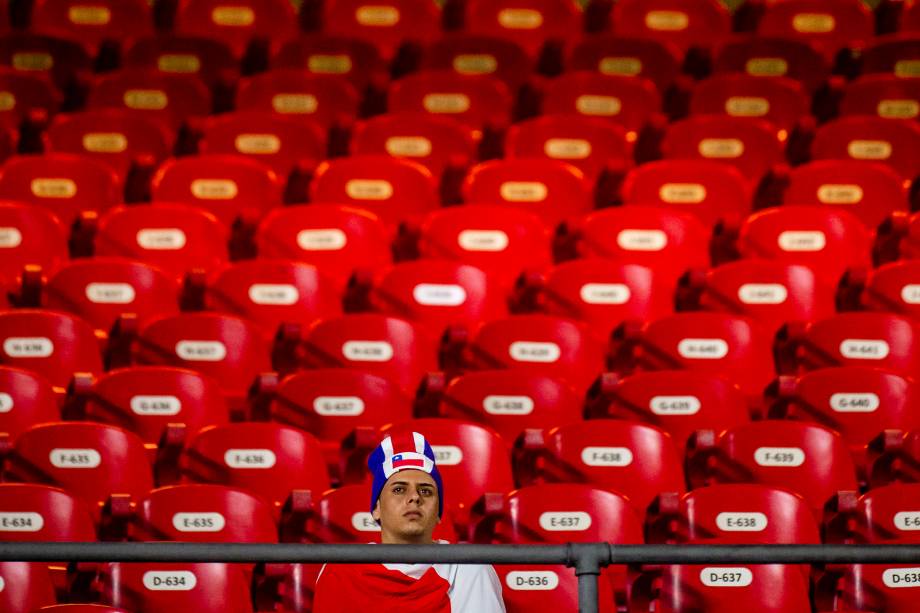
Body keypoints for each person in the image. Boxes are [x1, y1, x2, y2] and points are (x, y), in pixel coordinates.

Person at [312, 431, 506, 612]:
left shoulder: (469, 570)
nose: (414, 497)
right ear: (376, 508)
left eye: (426, 491)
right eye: (399, 489)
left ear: (439, 513)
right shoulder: (341, 571)